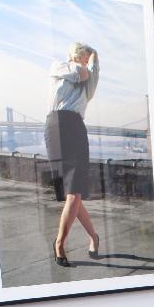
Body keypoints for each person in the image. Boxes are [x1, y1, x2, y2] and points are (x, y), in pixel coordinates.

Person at [45, 42, 100, 267]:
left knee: (74, 193)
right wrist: (81, 66)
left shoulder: (91, 79)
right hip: (53, 125)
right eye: (84, 57)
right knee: (70, 193)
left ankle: (59, 244)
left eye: (89, 58)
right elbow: (78, 73)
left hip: (75, 126)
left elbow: (89, 74)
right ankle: (94, 237)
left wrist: (94, 58)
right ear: (74, 56)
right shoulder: (58, 66)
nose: (86, 62)